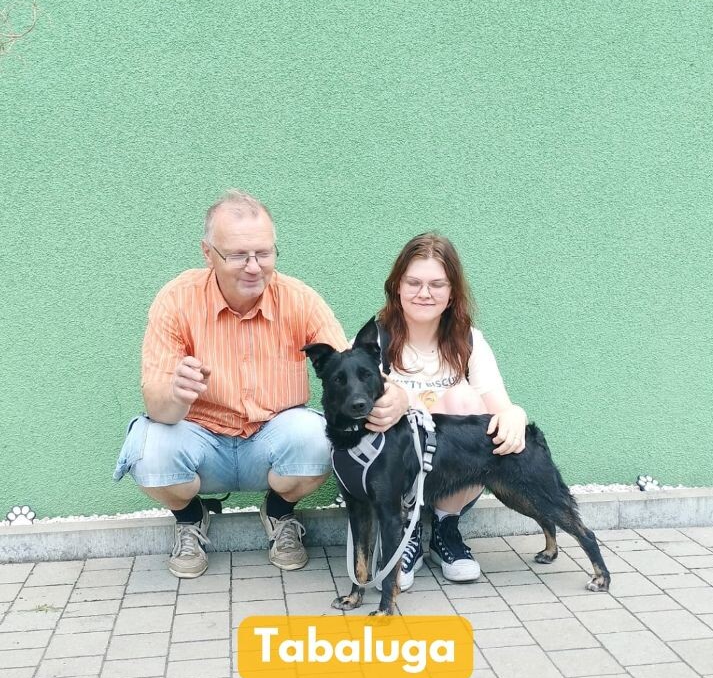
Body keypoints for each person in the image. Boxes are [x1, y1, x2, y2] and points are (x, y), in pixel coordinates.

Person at [113, 190, 348, 579]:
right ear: (208, 254)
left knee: (322, 439)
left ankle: (280, 512)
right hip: (200, 440)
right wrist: (176, 393)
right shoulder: (176, 300)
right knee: (148, 453)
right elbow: (157, 407)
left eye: (264, 253)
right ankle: (189, 518)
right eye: (239, 255)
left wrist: (389, 390)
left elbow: (346, 368)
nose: (254, 267)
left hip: (271, 438)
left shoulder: (299, 299)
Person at [368, 232, 528, 590]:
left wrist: (515, 415)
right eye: (414, 282)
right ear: (397, 286)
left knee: (466, 402)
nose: (424, 293)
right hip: (394, 475)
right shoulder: (374, 340)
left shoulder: (468, 340)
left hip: (451, 481)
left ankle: (445, 527)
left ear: (452, 291)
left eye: (437, 284)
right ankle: (404, 531)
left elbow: (498, 409)